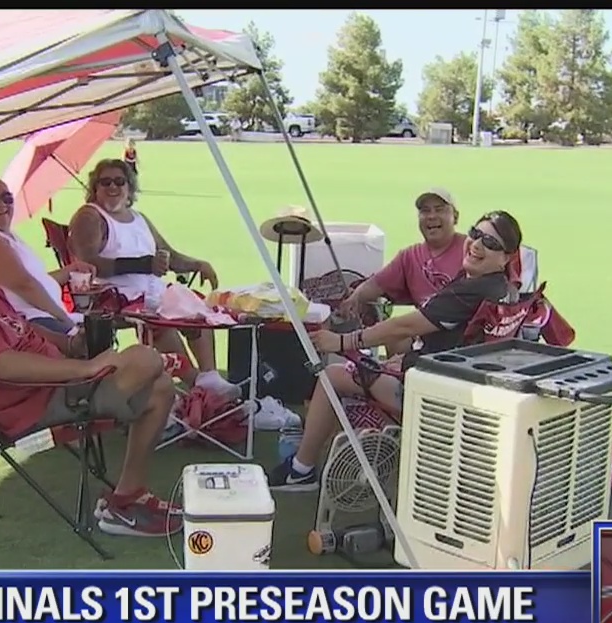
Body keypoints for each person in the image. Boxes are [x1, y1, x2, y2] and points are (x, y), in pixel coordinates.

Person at [0, 203, 182, 537]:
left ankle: (126, 498)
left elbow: (19, 325)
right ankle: (126, 416)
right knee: (146, 359)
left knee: (160, 387)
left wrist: (69, 344)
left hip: (53, 382)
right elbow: (2, 365)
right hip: (31, 404)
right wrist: (84, 368)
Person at [265, 210, 524, 491]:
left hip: (434, 397)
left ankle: (301, 470)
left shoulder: (473, 289)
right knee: (388, 350)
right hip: (460, 389)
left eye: (490, 242)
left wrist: (343, 342)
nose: (477, 244)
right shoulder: (504, 289)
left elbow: (405, 325)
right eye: (476, 233)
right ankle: (338, 452)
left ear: (506, 257)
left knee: (332, 376)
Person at [67, 158, 238, 397]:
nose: (113, 187)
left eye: (119, 181)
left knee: (194, 305)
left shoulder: (139, 218)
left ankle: (209, 376)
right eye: (105, 182)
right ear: (95, 188)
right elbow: (88, 263)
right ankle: (196, 383)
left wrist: (198, 265)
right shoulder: (90, 217)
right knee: (160, 317)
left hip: (151, 291)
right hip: (113, 296)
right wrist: (144, 264)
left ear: (129, 188)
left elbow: (170, 256)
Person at [337, 188, 467, 355]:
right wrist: (354, 299)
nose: (431, 216)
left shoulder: (471, 250)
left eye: (439, 209)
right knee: (393, 336)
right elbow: (377, 284)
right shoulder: (410, 256)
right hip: (426, 336)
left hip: (463, 338)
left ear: (455, 216)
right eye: (425, 211)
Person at [0, 177, 91, 335]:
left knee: (101, 329)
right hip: (32, 321)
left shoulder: (8, 236)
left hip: (47, 315)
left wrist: (69, 271)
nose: (2, 205)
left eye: (7, 198)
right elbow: (25, 286)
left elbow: (36, 280)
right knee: (91, 342)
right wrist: (65, 320)